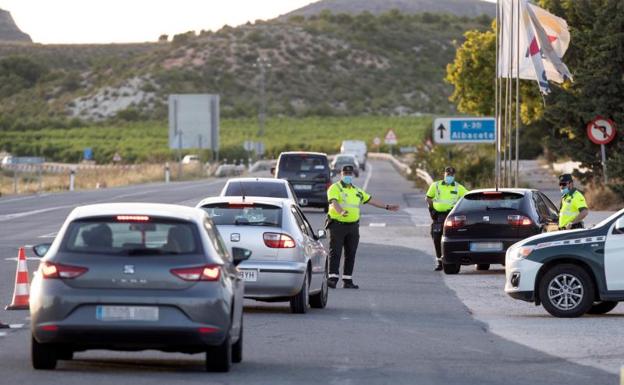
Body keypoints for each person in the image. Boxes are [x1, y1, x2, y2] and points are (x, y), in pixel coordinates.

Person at [326, 165, 400, 289]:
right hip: (337, 225)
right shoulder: (335, 188)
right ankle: (332, 279)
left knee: (351, 253)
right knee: (336, 252)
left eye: (350, 174)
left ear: (352, 175)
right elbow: (334, 202)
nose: (348, 176)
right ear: (341, 175)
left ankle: (347, 280)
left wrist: (387, 206)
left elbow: (370, 200)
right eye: (345, 174)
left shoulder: (357, 191)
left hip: (353, 227)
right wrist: (340, 212)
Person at [426, 166, 468, 271]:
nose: (449, 176)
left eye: (451, 175)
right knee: (436, 237)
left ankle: (453, 261)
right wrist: (432, 210)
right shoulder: (435, 185)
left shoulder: (458, 187)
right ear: (444, 174)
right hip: (438, 216)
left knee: (452, 238)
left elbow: (467, 198)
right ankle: (439, 261)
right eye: (448, 174)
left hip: (451, 216)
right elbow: (428, 198)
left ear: (454, 176)